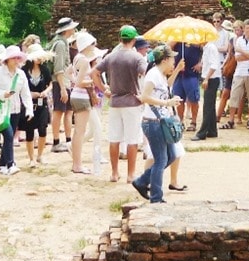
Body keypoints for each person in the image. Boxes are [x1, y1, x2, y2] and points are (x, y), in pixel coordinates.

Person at [93, 24, 146, 183]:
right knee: (132, 139)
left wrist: (104, 89)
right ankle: (131, 174)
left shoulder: (111, 57)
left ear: (120, 39)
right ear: (134, 39)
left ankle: (114, 173)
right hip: (132, 101)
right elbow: (145, 72)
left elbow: (94, 73)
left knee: (114, 138)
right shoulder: (137, 57)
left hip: (115, 101)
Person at [131, 44, 184, 204]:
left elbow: (165, 87)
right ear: (165, 59)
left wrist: (176, 71)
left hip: (160, 121)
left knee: (171, 156)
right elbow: (145, 97)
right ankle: (156, 197)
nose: (173, 62)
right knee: (161, 160)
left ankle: (141, 181)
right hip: (153, 123)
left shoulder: (159, 74)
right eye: (172, 59)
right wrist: (167, 102)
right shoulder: (153, 75)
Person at [0, 45, 33, 176]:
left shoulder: (21, 74)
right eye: (13, 58)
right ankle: (10, 163)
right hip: (2, 110)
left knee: (10, 137)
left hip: (15, 110)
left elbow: (26, 93)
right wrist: (3, 94)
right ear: (7, 60)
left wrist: (29, 110)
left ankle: (1, 165)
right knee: (8, 136)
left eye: (18, 58)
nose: (16, 60)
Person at [69, 31, 104, 175]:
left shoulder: (78, 58)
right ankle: (77, 165)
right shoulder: (83, 60)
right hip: (81, 96)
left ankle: (77, 163)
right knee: (80, 131)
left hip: (78, 96)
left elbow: (69, 73)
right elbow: (78, 82)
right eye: (92, 44)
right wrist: (93, 83)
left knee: (79, 131)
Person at [48, 17, 79, 153]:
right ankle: (56, 141)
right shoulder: (60, 44)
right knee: (59, 111)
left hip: (65, 81)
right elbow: (58, 68)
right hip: (60, 82)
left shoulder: (62, 42)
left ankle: (67, 140)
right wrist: (62, 89)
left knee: (68, 111)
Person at [226, 20, 249, 129]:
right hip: (240, 72)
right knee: (234, 95)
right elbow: (237, 57)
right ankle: (231, 120)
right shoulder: (239, 40)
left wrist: (242, 51)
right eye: (247, 28)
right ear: (244, 29)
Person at [22, 44, 53, 167]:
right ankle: (31, 158)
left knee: (42, 130)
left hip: (42, 103)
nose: (39, 59)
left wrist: (45, 92)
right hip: (29, 104)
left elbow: (50, 84)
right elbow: (20, 87)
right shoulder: (24, 71)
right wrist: (30, 94)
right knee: (29, 131)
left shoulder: (44, 69)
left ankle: (40, 155)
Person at [191, 36, 221, 141]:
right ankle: (212, 130)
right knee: (210, 105)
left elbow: (214, 65)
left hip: (212, 79)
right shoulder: (206, 48)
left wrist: (207, 79)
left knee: (207, 106)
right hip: (209, 77)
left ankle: (202, 132)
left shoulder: (211, 47)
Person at [172, 42, 203, 131]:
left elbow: (206, 50)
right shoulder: (177, 40)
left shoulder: (196, 39)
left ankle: (193, 122)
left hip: (191, 73)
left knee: (193, 99)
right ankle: (181, 121)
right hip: (178, 74)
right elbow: (168, 47)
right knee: (178, 98)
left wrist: (201, 63)